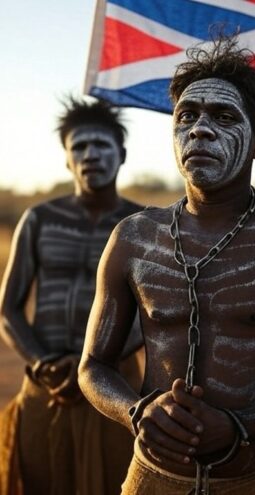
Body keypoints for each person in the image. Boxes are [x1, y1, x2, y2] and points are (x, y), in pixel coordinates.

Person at [78, 33, 255, 495]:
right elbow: (93, 367)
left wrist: (241, 427)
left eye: (223, 117)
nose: (200, 130)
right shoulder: (133, 237)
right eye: (187, 117)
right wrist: (136, 412)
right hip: (153, 477)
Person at [0, 97, 143, 495]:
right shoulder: (39, 220)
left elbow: (156, 314)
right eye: (79, 146)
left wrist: (98, 364)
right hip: (47, 385)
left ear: (122, 154)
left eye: (102, 145)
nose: (90, 154)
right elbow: (7, 308)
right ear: (66, 159)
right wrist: (43, 363)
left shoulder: (143, 227)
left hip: (113, 387)